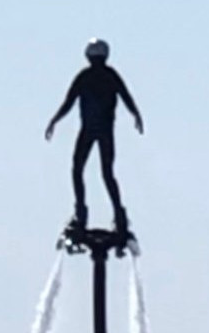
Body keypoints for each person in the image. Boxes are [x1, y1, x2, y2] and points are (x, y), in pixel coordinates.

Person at [45, 38, 143, 234]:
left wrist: (54, 120)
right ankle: (116, 214)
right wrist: (136, 114)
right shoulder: (109, 75)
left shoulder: (86, 76)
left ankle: (84, 212)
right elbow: (126, 97)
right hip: (103, 130)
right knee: (103, 173)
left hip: (91, 130)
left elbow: (69, 102)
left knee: (81, 169)